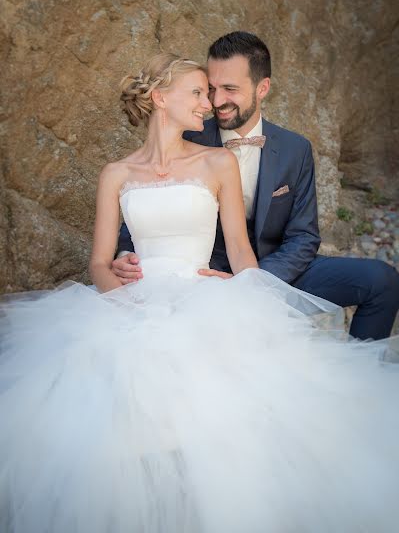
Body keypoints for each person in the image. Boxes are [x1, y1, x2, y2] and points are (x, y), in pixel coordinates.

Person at [1, 53, 398, 533]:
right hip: (131, 303)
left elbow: (241, 250)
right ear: (159, 98)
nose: (208, 104)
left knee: (220, 411)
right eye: (197, 92)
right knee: (109, 417)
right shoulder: (116, 174)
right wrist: (117, 294)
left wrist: (241, 289)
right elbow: (99, 262)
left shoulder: (218, 161)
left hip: (204, 299)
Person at [113, 32, 399, 341]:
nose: (216, 101)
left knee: (382, 281)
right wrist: (126, 254)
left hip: (278, 273)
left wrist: (250, 282)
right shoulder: (188, 137)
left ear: (262, 88)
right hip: (202, 280)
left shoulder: (295, 149)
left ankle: (359, 373)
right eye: (211, 89)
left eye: (230, 89)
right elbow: (149, 208)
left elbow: (303, 237)